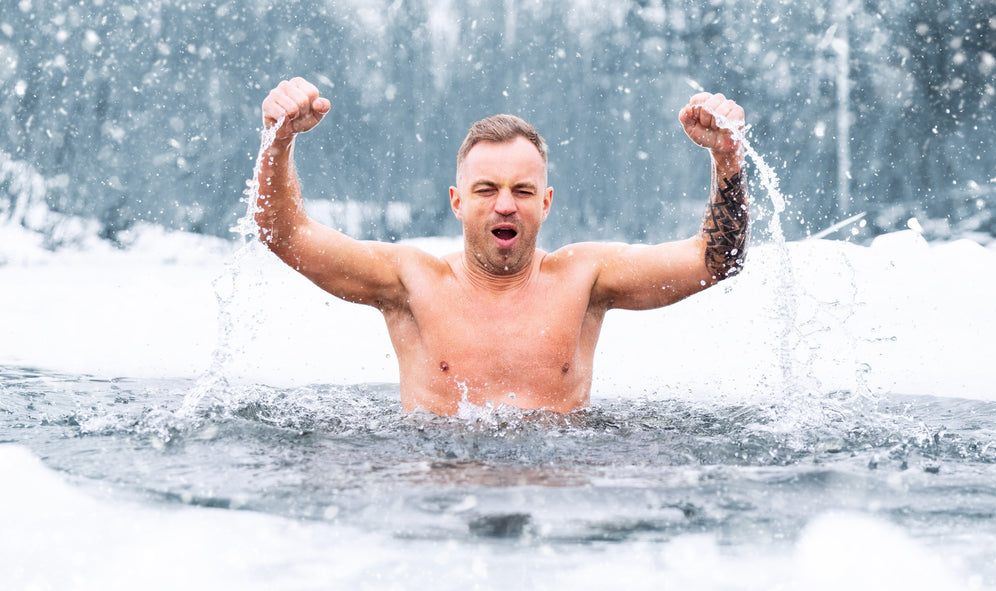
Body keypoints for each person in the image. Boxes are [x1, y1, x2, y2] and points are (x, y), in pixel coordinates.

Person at [256, 77, 748, 415]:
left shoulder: (584, 278)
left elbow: (716, 260)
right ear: (458, 202)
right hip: (438, 485)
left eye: (523, 190)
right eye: (487, 190)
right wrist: (278, 141)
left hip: (555, 485)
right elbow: (284, 234)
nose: (506, 206)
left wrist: (727, 160)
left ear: (547, 202)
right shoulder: (413, 281)